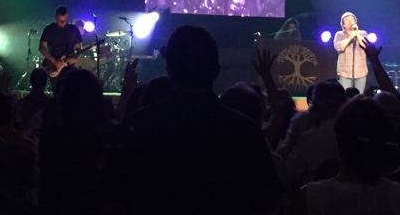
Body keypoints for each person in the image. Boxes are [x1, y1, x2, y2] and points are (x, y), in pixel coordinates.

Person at [103, 25, 282, 214]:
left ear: (169, 71)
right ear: (216, 71)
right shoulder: (245, 132)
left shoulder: (139, 125)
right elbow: (269, 204)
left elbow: (112, 201)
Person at [39, 5, 82, 93]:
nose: (62, 23)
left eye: (64, 20)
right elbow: (42, 47)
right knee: (56, 91)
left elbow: (79, 48)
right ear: (56, 17)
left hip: (68, 66)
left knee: (68, 91)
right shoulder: (49, 29)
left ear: (67, 17)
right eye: (60, 21)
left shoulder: (73, 29)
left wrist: (75, 58)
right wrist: (54, 61)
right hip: (53, 66)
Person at [333, 12, 368, 93]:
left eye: (352, 20)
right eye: (347, 20)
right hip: (344, 73)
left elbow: (365, 46)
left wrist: (357, 34)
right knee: (345, 96)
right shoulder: (339, 35)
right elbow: (339, 47)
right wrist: (351, 36)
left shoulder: (363, 34)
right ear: (343, 24)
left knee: (359, 97)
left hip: (361, 72)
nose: (350, 22)